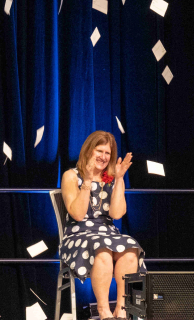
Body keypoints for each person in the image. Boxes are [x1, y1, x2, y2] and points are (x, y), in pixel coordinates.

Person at [60, 131, 144, 319]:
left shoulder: (111, 178)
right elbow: (78, 214)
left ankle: (122, 310)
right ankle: (103, 311)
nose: (103, 157)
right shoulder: (71, 176)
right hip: (78, 235)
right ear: (89, 150)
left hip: (108, 233)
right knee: (103, 250)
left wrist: (120, 179)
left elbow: (116, 214)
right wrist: (88, 181)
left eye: (108, 153)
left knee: (130, 249)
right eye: (100, 151)